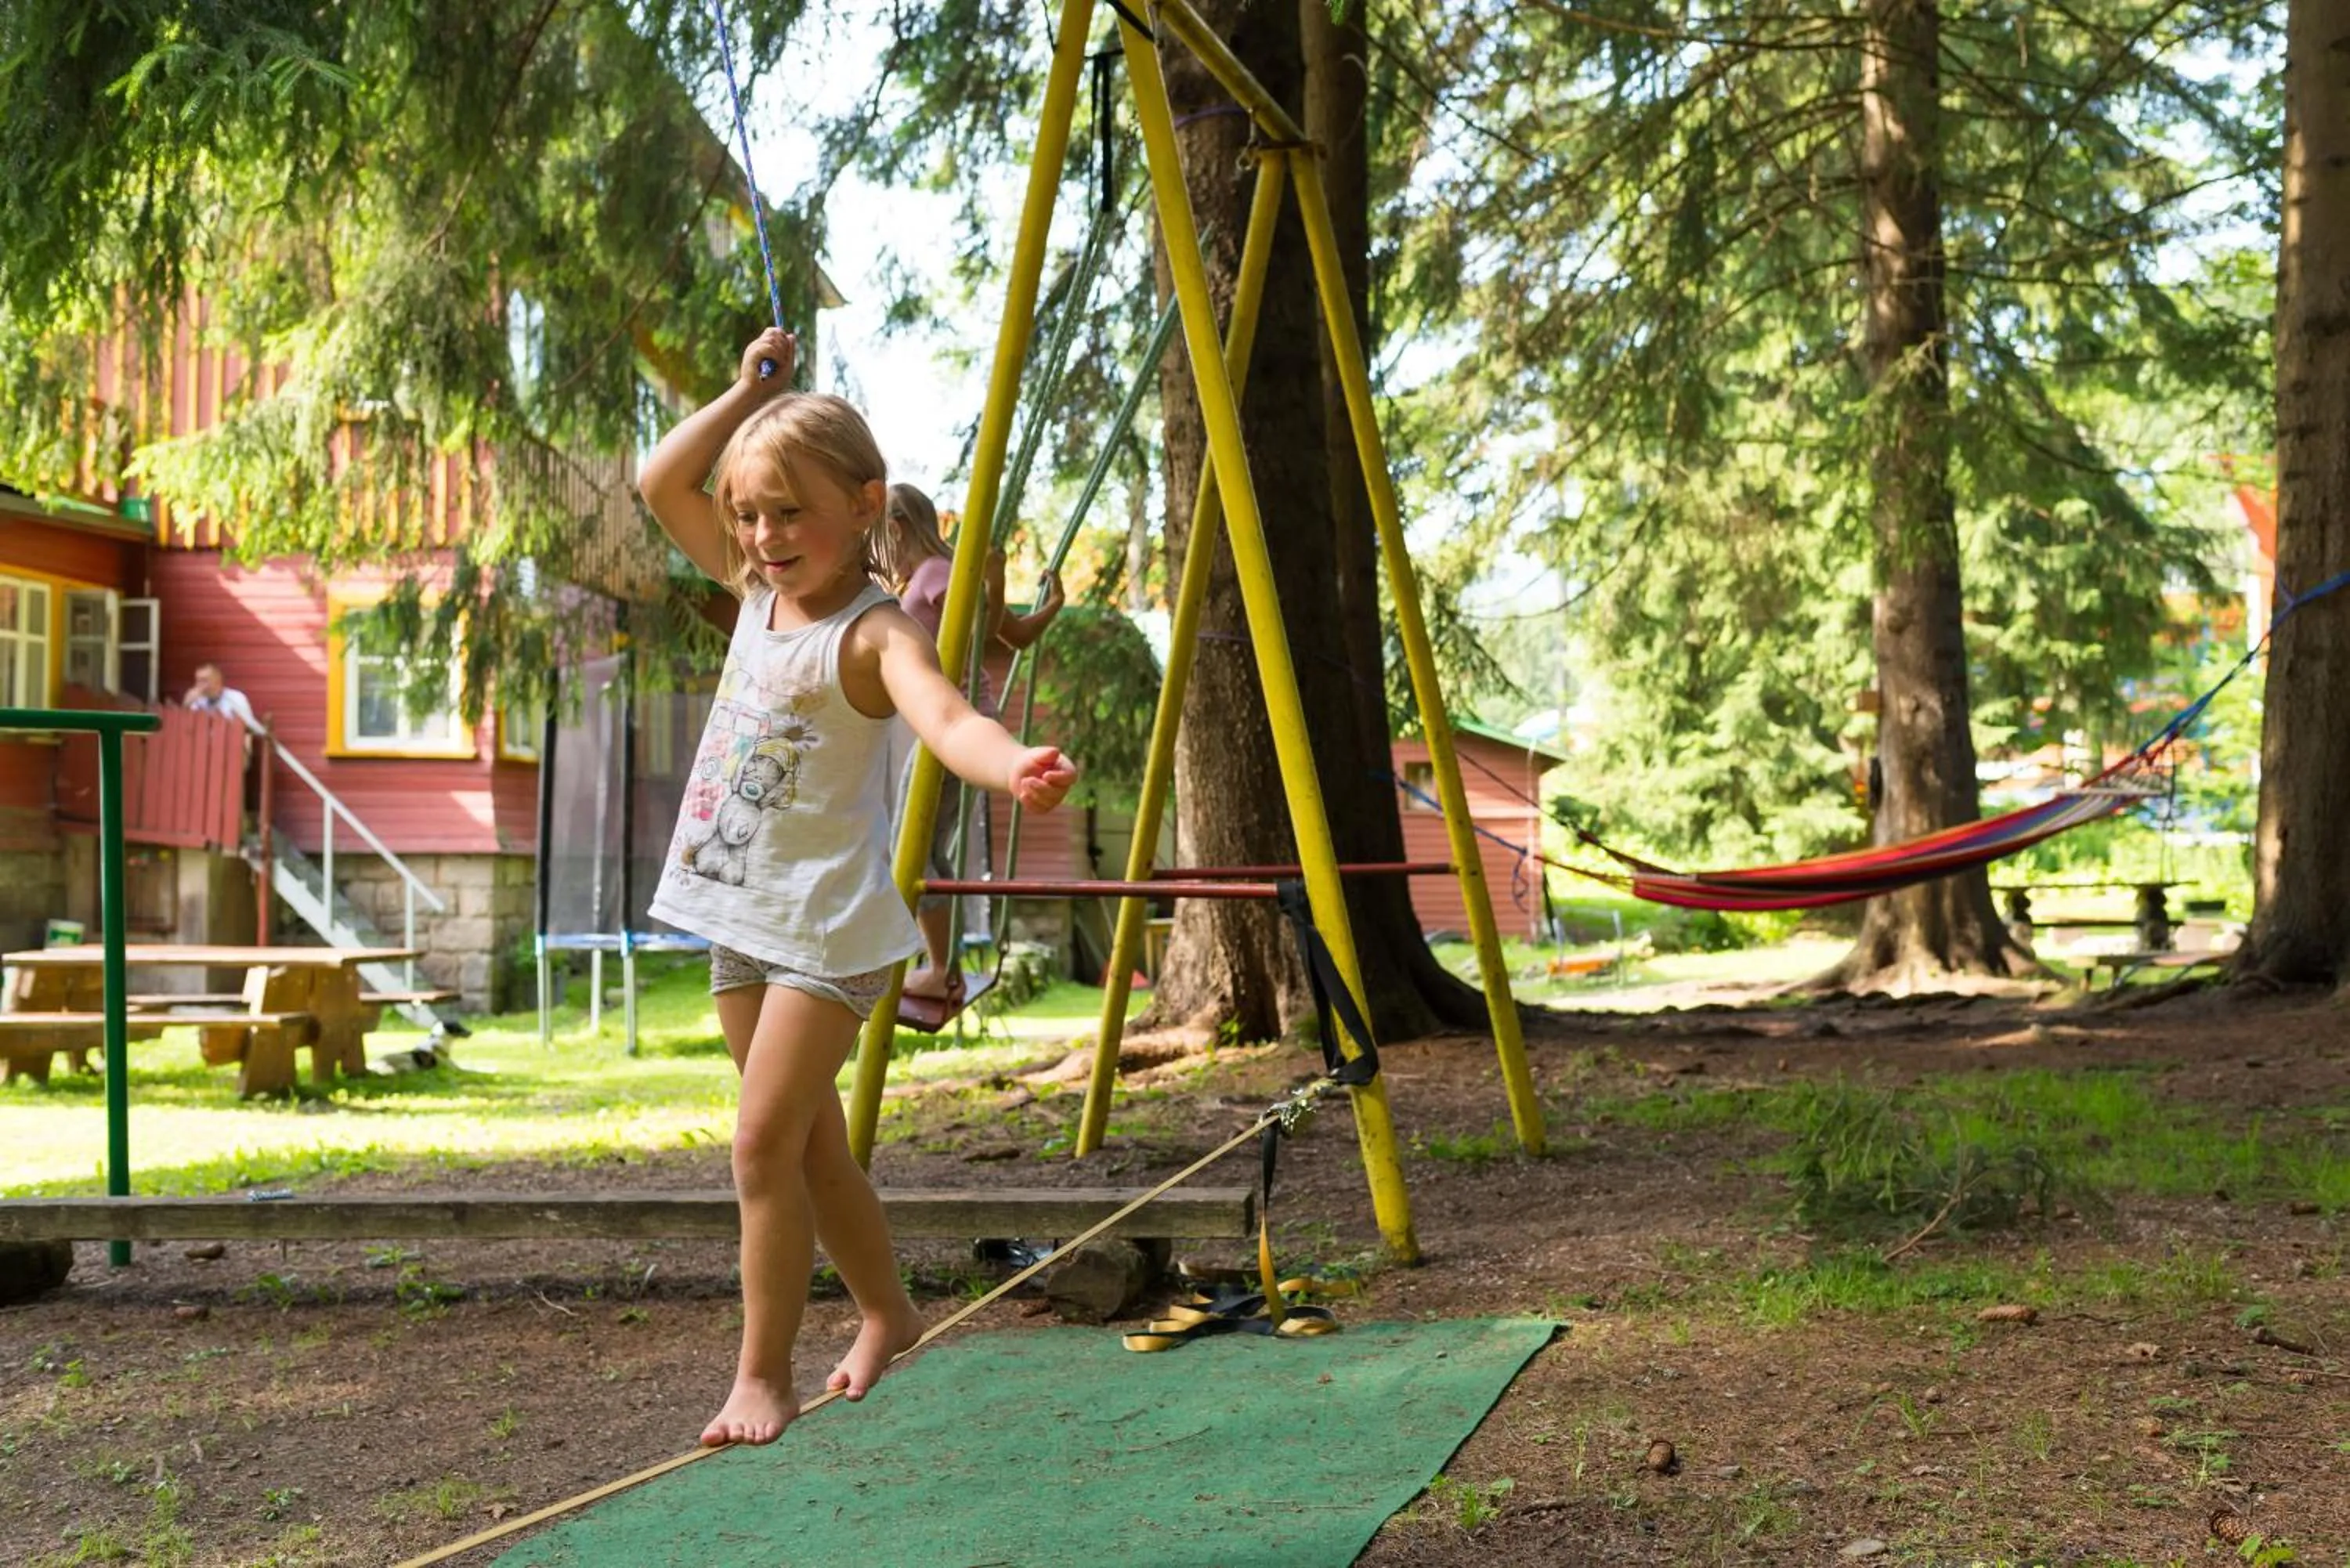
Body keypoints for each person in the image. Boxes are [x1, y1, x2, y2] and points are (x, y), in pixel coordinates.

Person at [636, 327, 1077, 1447]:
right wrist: (745, 391)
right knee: (813, 1147)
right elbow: (657, 481)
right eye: (747, 514)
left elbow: (947, 717)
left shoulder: (875, 632)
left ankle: (761, 1374)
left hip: (828, 931)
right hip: (738, 917)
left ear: (864, 502)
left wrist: (1011, 761)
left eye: (789, 511)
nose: (763, 536)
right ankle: (889, 1310)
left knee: (757, 1147)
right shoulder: (754, 600)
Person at [871, 483, 1066, 1003]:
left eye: (879, 536)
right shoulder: (931, 578)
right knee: (926, 849)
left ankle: (939, 968)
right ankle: (941, 964)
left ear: (896, 527)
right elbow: (1016, 636)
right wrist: (1054, 607)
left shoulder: (936, 574)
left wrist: (996, 578)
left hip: (960, 725)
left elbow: (979, 618)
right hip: (952, 724)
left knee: (908, 851)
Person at [183, 663, 262, 733]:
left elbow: (248, 726)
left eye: (204, 681)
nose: (200, 685)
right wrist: (186, 705)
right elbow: (188, 727)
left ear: (218, 681)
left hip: (232, 743)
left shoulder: (235, 697)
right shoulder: (198, 701)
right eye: (198, 681)